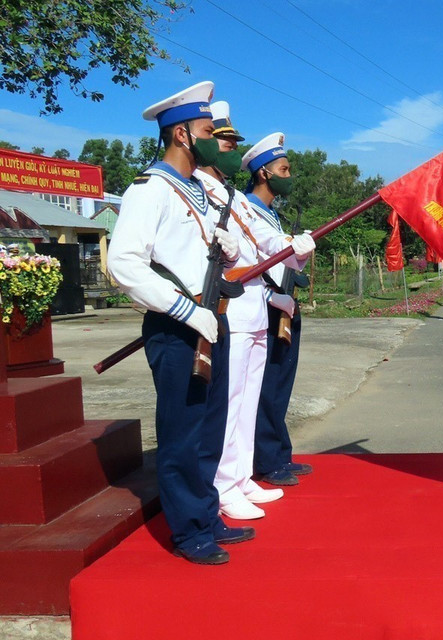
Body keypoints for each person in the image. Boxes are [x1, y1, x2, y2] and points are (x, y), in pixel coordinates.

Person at [108, 81, 250, 564]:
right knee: (181, 434)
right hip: (179, 326)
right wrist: (188, 311)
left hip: (213, 319)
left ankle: (207, 514)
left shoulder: (197, 190)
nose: (214, 138)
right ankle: (189, 532)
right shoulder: (149, 189)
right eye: (207, 130)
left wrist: (224, 243)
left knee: (210, 428)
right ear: (182, 135)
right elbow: (124, 264)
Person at [196, 105, 315, 518]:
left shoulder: (231, 197)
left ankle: (241, 476)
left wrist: (293, 250)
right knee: (229, 404)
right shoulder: (201, 191)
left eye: (229, 143)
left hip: (253, 312)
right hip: (232, 308)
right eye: (223, 141)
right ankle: (223, 485)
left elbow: (267, 245)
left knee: (247, 402)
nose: (227, 149)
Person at [243, 132, 316, 487]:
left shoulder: (269, 214)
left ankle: (278, 453)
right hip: (265, 307)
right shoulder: (249, 211)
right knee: (266, 389)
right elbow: (261, 259)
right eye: (284, 170)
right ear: (264, 174)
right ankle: (266, 460)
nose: (289, 176)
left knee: (279, 387)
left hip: (282, 306)